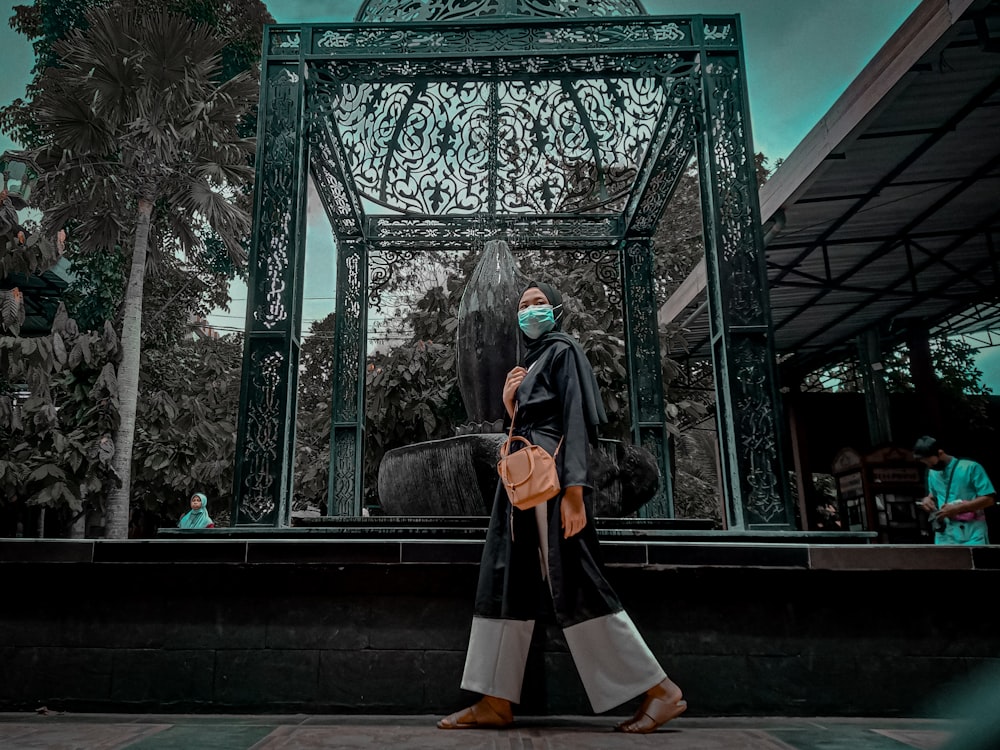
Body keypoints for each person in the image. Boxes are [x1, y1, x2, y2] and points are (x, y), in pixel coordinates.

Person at [437, 281, 685, 734]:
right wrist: (510, 402)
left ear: (556, 309)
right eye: (523, 306)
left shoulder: (563, 351)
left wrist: (575, 491)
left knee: (574, 580)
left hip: (550, 480)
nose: (530, 311)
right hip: (523, 478)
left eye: (539, 304)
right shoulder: (530, 361)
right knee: (504, 576)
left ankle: (659, 690)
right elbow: (527, 419)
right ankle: (494, 699)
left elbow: (574, 418)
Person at [914, 436, 995, 546]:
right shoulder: (932, 473)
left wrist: (958, 508)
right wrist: (927, 500)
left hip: (972, 533)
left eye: (930, 462)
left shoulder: (971, 467)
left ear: (940, 453)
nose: (929, 466)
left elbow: (989, 499)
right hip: (945, 535)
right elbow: (933, 494)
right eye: (926, 464)